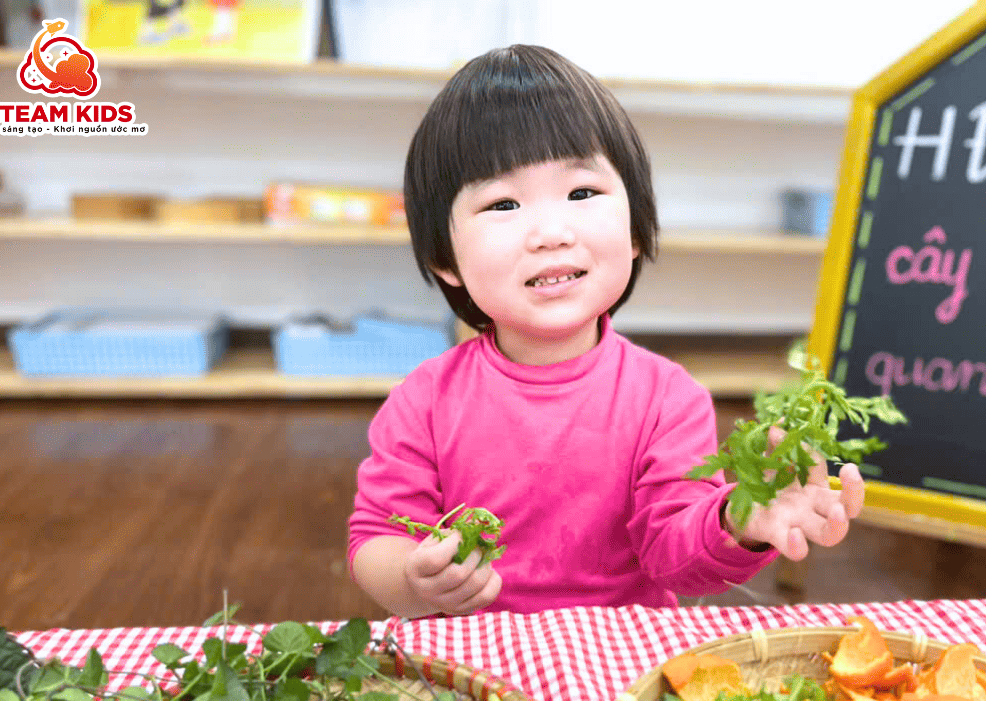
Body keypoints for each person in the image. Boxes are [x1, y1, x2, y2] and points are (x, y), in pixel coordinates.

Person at [348, 45, 864, 618]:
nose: (550, 231)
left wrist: (738, 518)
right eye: (502, 203)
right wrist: (410, 581)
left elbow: (674, 556)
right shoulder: (423, 400)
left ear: (636, 230)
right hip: (467, 660)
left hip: (624, 655)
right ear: (445, 257)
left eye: (582, 193)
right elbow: (375, 537)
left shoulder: (669, 399)